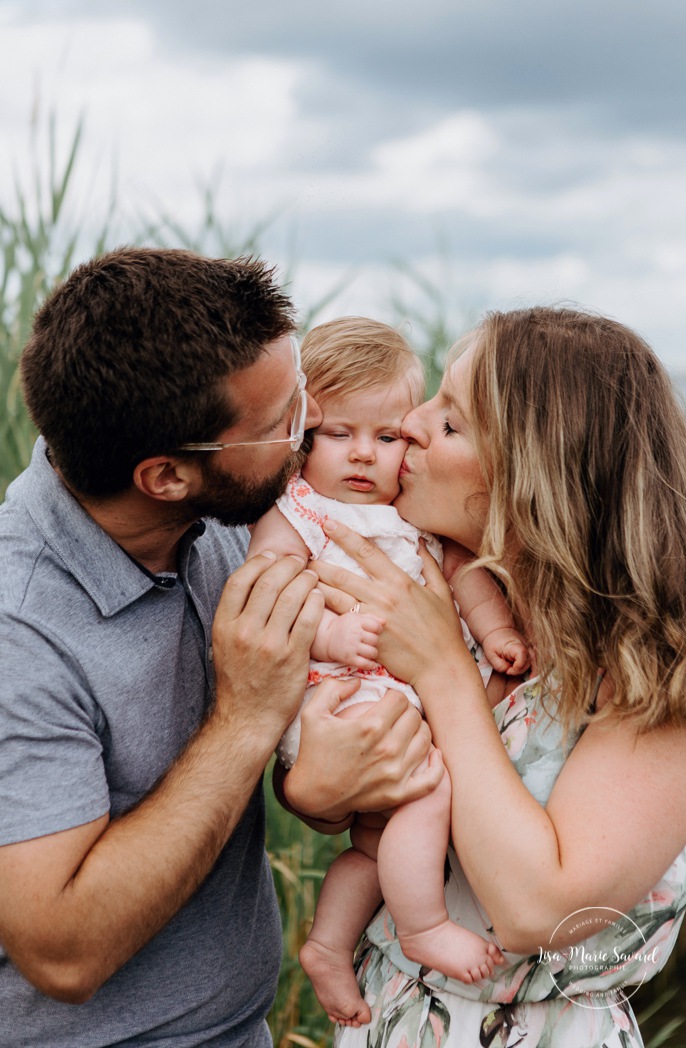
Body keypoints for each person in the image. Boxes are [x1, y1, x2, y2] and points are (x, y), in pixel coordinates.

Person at [0, 248, 441, 1048]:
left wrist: (316, 789)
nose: (307, 429)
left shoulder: (227, 527)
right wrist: (244, 717)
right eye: (281, 425)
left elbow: (304, 756)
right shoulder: (17, 634)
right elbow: (61, 954)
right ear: (166, 476)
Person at [281, 307, 686, 1047]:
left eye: (449, 422)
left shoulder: (661, 669)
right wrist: (313, 791)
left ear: (535, 474)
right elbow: (363, 798)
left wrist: (441, 669)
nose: (407, 423)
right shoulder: (468, 603)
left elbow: (539, 908)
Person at [249, 318, 528, 1025]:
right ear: (303, 435)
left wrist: (494, 631)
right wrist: (331, 630)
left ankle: (327, 943)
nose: (363, 455)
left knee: (375, 847)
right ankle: (422, 926)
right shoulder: (298, 511)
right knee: (428, 792)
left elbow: (461, 575)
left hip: (390, 698)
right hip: (337, 695)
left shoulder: (408, 509)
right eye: (339, 433)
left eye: (388, 435)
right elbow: (264, 587)